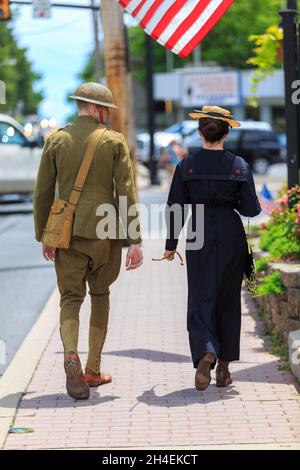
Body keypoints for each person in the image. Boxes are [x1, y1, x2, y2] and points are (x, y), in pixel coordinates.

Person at [33, 82, 143, 400]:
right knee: (100, 294)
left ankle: (71, 355)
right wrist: (134, 238)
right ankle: (93, 370)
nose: (107, 114)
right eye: (106, 109)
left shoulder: (56, 140)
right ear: (95, 108)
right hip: (105, 236)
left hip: (67, 235)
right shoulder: (113, 141)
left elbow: (42, 192)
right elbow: (126, 192)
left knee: (70, 299)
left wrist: (44, 234)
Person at [164, 106, 261, 391]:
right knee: (228, 300)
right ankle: (225, 368)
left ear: (199, 131)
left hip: (197, 230)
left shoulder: (187, 166)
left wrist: (171, 245)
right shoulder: (239, 166)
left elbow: (176, 208)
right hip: (231, 232)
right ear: (227, 131)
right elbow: (251, 209)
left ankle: (206, 350)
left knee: (200, 297)